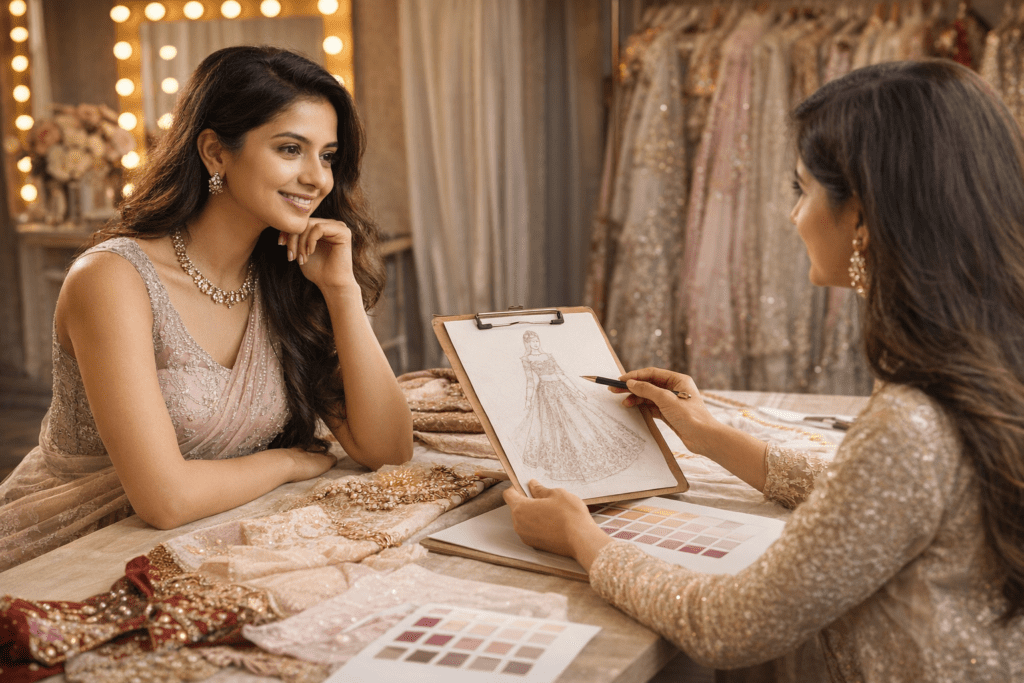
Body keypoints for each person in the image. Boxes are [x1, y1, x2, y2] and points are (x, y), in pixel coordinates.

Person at [505, 59, 1024, 679]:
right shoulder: (985, 365)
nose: (792, 216)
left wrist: (580, 538)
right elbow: (874, 496)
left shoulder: (913, 419)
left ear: (861, 215)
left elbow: (730, 625)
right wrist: (710, 437)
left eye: (802, 189)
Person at [0, 46, 413, 571]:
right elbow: (166, 499)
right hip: (64, 554)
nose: (318, 179)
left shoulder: (288, 278)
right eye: (291, 149)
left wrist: (342, 292)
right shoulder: (112, 280)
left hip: (197, 547)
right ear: (216, 153)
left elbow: (390, 449)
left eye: (327, 156)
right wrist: (285, 462)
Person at [516, 330, 643, 483]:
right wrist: (528, 400)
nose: (535, 344)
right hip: (545, 393)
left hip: (560, 389)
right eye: (532, 342)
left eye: (537, 341)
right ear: (527, 344)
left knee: (579, 420)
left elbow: (562, 375)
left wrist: (576, 390)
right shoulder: (526, 359)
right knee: (554, 426)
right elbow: (530, 381)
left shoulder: (549, 356)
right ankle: (562, 461)